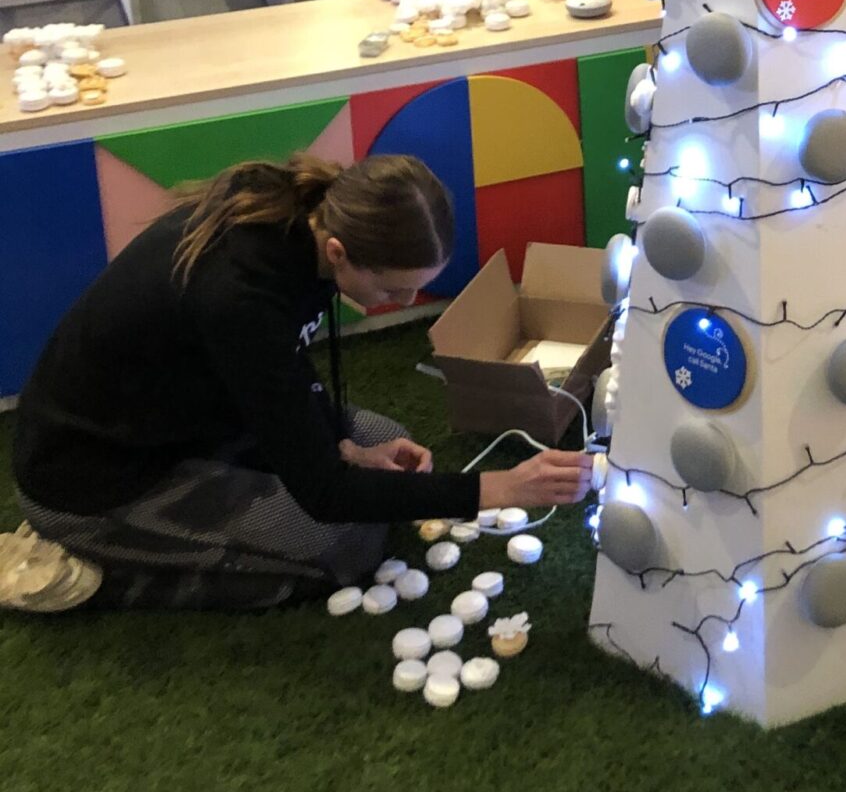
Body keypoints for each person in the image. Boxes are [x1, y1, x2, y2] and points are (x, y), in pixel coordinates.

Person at [2, 154, 591, 615]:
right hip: (95, 479)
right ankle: (99, 572)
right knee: (349, 545)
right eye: (393, 289)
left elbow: (281, 367)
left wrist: (343, 443)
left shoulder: (307, 222)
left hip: (194, 413)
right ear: (338, 252)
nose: (407, 302)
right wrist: (499, 488)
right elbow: (325, 494)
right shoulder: (240, 297)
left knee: (384, 442)